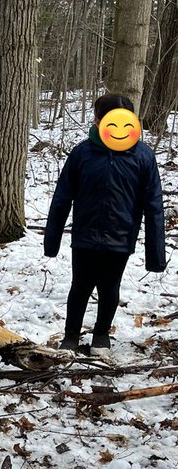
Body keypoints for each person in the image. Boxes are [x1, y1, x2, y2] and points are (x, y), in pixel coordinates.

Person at [44, 93, 166, 358]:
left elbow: (154, 205)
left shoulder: (143, 156)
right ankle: (71, 336)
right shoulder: (82, 153)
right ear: (98, 121)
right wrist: (51, 241)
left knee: (110, 287)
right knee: (81, 286)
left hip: (120, 236)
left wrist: (156, 256)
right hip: (85, 234)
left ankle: (101, 335)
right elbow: (62, 196)